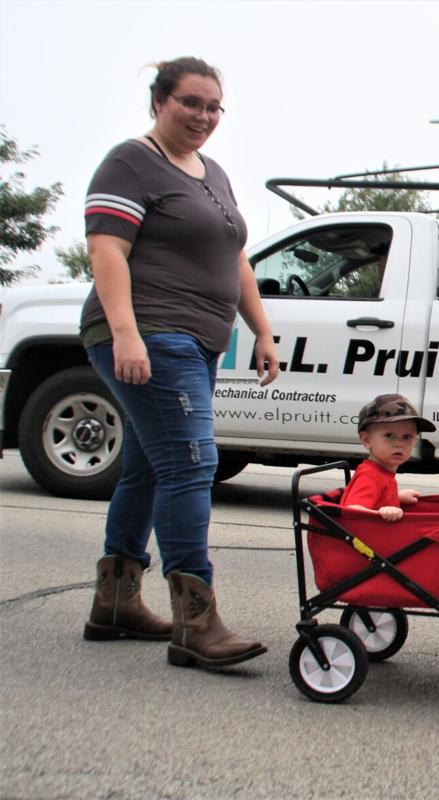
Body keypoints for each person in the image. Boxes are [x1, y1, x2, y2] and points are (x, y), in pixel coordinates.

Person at [80, 56, 280, 671]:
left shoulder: (211, 173)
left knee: (148, 468)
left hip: (197, 340)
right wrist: (127, 335)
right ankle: (197, 622)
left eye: (214, 107)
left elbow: (235, 258)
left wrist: (262, 331)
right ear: (159, 101)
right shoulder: (131, 162)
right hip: (153, 333)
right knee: (193, 465)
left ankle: (116, 603)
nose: (204, 116)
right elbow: (107, 250)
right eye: (191, 103)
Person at [342, 394, 436, 521]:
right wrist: (382, 512)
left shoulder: (383, 472)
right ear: (367, 439)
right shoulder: (370, 476)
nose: (399, 443)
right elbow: (351, 510)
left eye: (407, 437)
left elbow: (377, 497)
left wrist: (396, 497)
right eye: (390, 435)